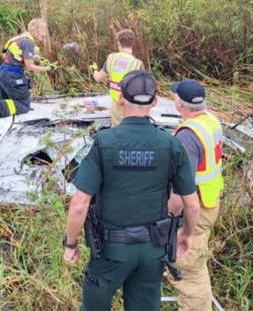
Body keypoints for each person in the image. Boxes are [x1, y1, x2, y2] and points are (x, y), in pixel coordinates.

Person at [63, 70, 200, 311]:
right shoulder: (171, 144)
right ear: (155, 102)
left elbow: (79, 205)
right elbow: (191, 204)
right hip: (152, 252)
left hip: (110, 252)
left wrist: (71, 244)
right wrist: (187, 234)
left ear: (121, 99)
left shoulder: (105, 142)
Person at [167, 79, 224, 311]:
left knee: (185, 270)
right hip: (209, 201)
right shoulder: (210, 121)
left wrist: (169, 216)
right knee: (195, 265)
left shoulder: (187, 137)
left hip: (195, 210)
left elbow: (182, 189)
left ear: (179, 104)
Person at [0, 18, 52, 125]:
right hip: (13, 75)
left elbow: (18, 55)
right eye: (44, 30)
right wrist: (47, 69)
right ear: (36, 30)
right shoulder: (28, 43)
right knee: (23, 105)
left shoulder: (22, 39)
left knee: (6, 98)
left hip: (3, 72)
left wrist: (36, 58)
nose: (45, 34)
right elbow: (29, 66)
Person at [92, 29, 144, 127]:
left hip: (117, 104)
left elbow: (98, 78)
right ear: (133, 43)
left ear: (118, 43)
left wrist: (94, 71)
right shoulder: (137, 64)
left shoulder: (111, 59)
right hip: (133, 106)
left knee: (117, 133)